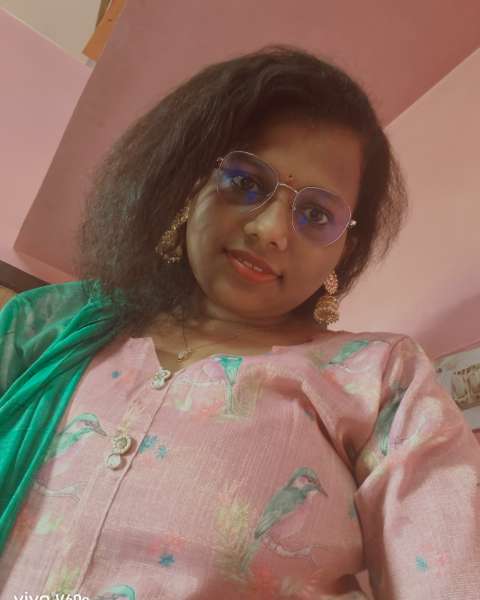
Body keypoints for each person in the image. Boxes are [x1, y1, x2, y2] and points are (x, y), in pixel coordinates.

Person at [0, 46, 478, 600]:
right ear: (190, 185)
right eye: (247, 183)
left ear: (343, 250)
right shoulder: (46, 329)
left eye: (316, 214)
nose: (272, 230)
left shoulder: (382, 382)